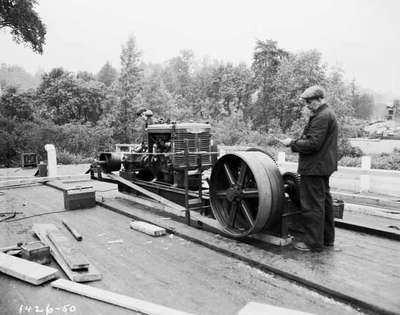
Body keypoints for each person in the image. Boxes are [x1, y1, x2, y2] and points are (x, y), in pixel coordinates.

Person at [280, 85, 338, 252]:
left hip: (314, 168)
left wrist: (292, 143)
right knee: (324, 203)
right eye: (305, 102)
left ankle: (313, 243)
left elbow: (313, 144)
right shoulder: (326, 114)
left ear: (320, 99)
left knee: (312, 205)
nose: (307, 105)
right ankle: (327, 239)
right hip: (322, 167)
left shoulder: (322, 116)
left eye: (309, 102)